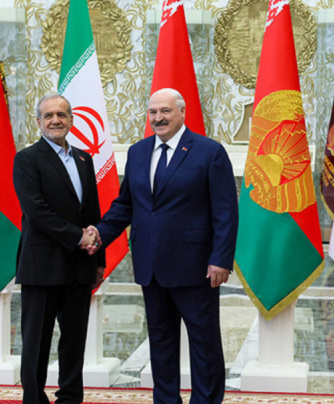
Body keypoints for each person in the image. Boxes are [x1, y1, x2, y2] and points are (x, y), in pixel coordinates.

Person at [94, 88, 238, 404]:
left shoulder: (209, 152)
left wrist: (221, 258)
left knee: (204, 344)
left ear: (182, 112)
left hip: (196, 267)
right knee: (161, 343)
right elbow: (126, 205)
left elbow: (225, 211)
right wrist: (99, 234)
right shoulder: (138, 152)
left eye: (165, 111)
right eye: (153, 112)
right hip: (151, 265)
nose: (158, 118)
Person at [12, 93, 105, 404]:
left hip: (80, 266)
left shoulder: (84, 159)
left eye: (61, 115)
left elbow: (92, 212)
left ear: (71, 120)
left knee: (74, 340)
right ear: (38, 121)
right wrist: (78, 237)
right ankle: (34, 399)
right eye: (49, 115)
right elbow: (37, 212)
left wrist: (99, 260)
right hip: (42, 265)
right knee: (36, 342)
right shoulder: (27, 159)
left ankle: (70, 398)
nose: (55, 120)